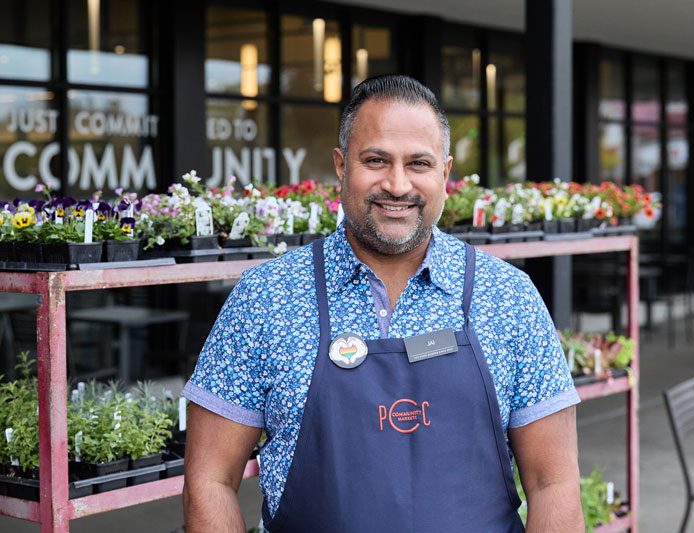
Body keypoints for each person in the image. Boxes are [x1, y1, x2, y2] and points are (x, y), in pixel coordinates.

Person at [182, 74, 583, 532]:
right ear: (341, 165)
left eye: (419, 163)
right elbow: (209, 479)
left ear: (445, 173)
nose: (397, 184)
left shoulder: (508, 297)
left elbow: (554, 483)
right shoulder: (267, 298)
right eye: (376, 160)